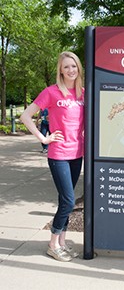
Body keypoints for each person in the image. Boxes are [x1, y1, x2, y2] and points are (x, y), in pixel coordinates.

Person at [20, 51, 84, 262]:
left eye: (73, 66)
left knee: (64, 200)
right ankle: (52, 243)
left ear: (78, 68)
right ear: (60, 70)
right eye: (66, 67)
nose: (70, 70)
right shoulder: (52, 92)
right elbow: (25, 116)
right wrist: (43, 138)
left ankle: (62, 243)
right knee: (68, 200)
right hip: (59, 154)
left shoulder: (83, 93)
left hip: (77, 153)